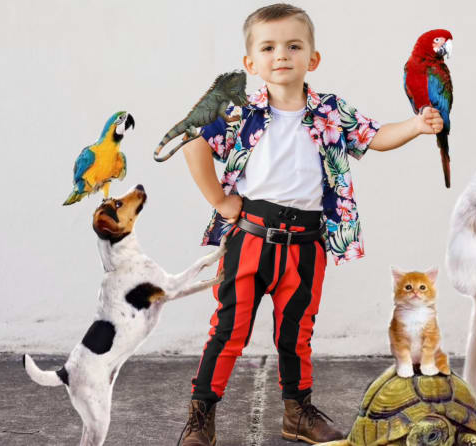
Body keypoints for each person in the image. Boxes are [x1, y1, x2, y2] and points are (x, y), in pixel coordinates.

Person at [178, 4, 443, 445]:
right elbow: (193, 144)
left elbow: (374, 137)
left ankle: (297, 412)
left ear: (312, 59)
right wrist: (221, 201)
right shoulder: (239, 111)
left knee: (296, 333)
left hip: (306, 243)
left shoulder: (330, 111)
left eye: (293, 46)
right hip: (252, 238)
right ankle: (201, 414)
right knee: (229, 330)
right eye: (268, 47)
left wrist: (415, 125)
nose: (281, 55)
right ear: (251, 63)